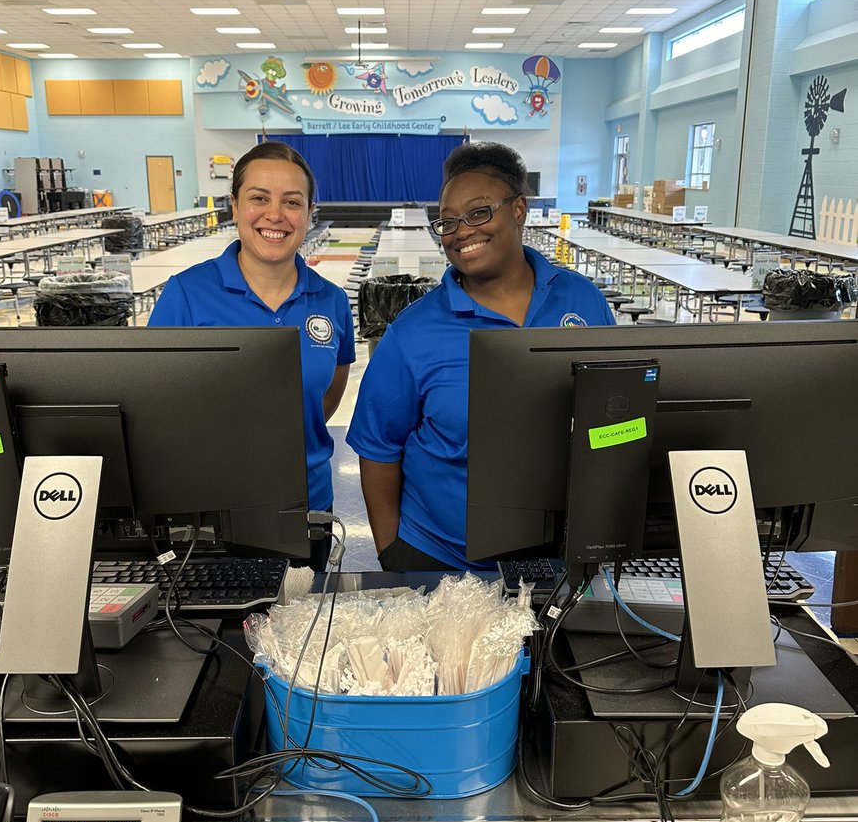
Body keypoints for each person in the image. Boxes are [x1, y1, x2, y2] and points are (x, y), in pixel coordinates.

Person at [346, 141, 615, 573]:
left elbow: (614, 419)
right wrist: (393, 552)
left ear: (519, 209)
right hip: (442, 561)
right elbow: (378, 447)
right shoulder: (414, 332)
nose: (462, 231)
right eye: (448, 221)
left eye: (479, 212)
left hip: (559, 556)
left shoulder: (582, 300)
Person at [148, 141, 355, 565]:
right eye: (259, 198)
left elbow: (329, 393)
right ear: (235, 206)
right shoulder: (186, 294)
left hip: (308, 500)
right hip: (212, 510)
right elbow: (158, 404)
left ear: (310, 213)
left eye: (292, 202)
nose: (275, 215)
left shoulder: (331, 301)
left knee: (304, 625)